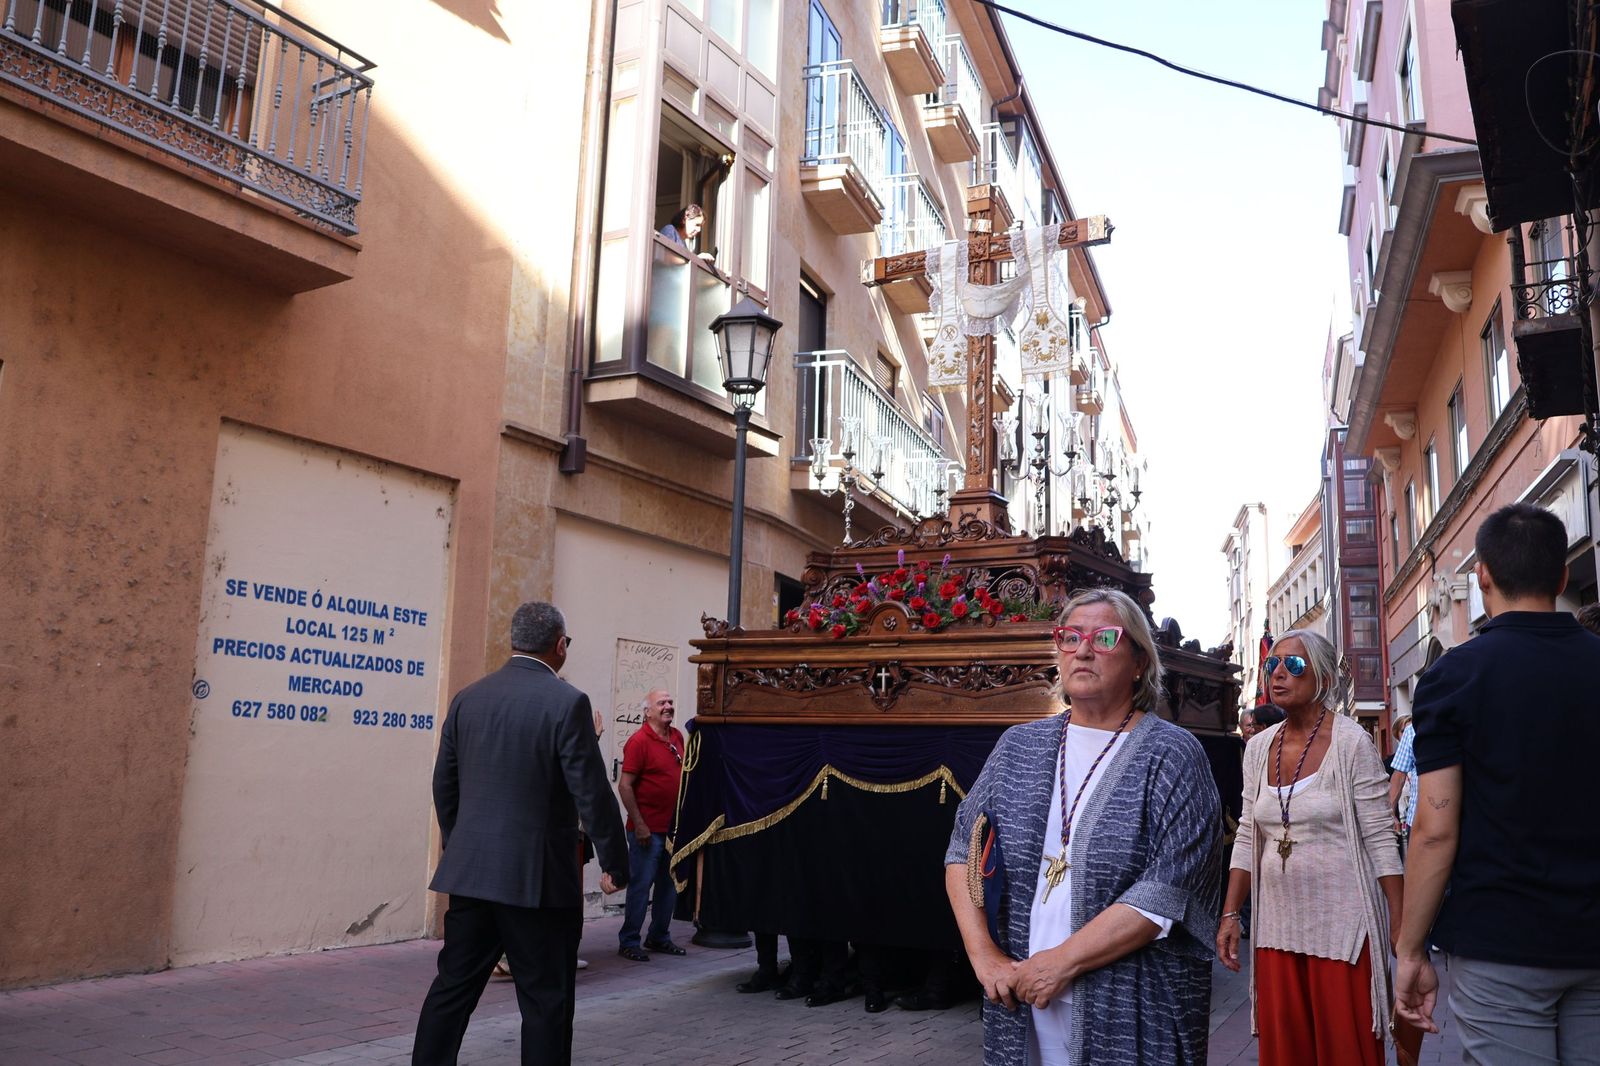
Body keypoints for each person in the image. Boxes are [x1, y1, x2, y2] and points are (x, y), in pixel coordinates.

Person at [945, 588, 1222, 1065]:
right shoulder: (1019, 746)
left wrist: (1060, 963)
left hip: (1130, 1002)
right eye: (1070, 637)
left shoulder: (1172, 753)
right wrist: (983, 955)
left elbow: (1167, 888)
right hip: (1022, 999)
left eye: (1104, 637)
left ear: (1139, 662)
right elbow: (962, 851)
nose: (1084, 650)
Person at [1395, 504, 1600, 1062]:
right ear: (1562, 575)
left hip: (1499, 938)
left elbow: (1434, 829)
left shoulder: (1454, 677)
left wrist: (1411, 950)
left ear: (1482, 575)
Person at [413, 602, 628, 1066]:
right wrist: (615, 861)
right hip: (538, 882)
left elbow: (444, 783)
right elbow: (591, 792)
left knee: (452, 990)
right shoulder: (567, 702)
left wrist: (459, 842)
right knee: (546, 1000)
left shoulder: (468, 698)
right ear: (560, 646)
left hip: (472, 874)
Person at [1217, 629, 1402, 1066]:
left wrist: (1399, 922)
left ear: (1322, 678)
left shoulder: (1351, 742)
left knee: (1345, 1050)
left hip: (1342, 926)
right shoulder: (1257, 748)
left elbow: (1380, 837)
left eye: (1294, 665)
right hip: (1276, 926)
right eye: (1272, 664)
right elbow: (1248, 833)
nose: (1278, 673)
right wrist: (1230, 913)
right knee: (1287, 1051)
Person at [616, 688, 688, 961]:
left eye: (670, 701)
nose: (668, 706)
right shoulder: (638, 742)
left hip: (673, 830)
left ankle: (658, 936)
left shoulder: (677, 736)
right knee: (641, 885)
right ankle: (629, 941)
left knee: (668, 886)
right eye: (661, 703)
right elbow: (625, 786)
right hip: (647, 830)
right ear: (648, 712)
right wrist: (639, 824)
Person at [1386, 712, 1416, 858]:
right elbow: (1397, 780)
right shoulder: (1390, 764)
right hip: (1413, 819)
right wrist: (1390, 814)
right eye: (1403, 730)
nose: (1407, 732)